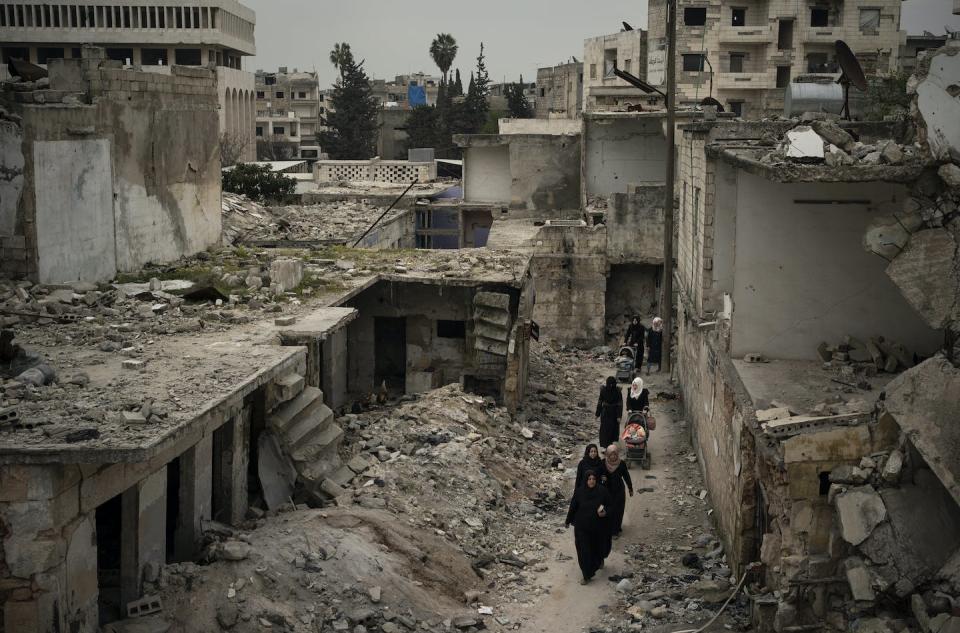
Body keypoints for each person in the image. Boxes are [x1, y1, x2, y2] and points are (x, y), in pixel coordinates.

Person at [565, 470, 612, 584]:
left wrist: (605, 512)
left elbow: (610, 506)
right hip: (582, 527)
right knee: (583, 551)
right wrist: (568, 520)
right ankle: (586, 575)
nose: (591, 481)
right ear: (586, 480)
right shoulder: (579, 492)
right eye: (589, 479)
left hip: (597, 528)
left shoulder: (602, 491)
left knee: (595, 550)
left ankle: (598, 561)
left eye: (594, 479)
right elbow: (573, 507)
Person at [600, 444, 633, 539]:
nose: (613, 457)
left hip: (619, 491)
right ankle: (608, 529)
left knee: (618, 511)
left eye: (615, 454)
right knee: (608, 510)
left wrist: (630, 488)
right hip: (606, 491)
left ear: (617, 455)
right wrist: (602, 480)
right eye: (611, 455)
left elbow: (626, 476)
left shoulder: (621, 463)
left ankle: (615, 530)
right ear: (608, 455)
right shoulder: (603, 463)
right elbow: (599, 476)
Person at [595, 377, 623, 449]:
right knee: (604, 429)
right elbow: (600, 402)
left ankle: (611, 445)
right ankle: (604, 446)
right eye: (609, 384)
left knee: (613, 428)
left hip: (614, 412)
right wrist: (597, 414)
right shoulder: (603, 390)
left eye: (612, 384)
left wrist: (619, 416)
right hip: (605, 412)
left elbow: (620, 404)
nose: (610, 386)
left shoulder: (617, 391)